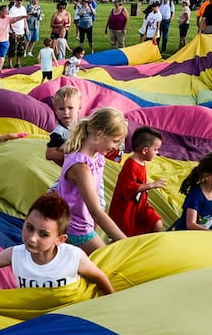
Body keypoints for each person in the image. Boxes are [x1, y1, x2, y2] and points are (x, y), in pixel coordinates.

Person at [0, 192, 114, 294]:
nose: (32, 238)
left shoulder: (73, 257)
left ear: (60, 239)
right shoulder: (17, 254)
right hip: (33, 320)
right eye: (29, 227)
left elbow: (99, 277)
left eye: (43, 234)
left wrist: (110, 301)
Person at [55, 106, 129, 253]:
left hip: (85, 223)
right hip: (76, 229)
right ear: (100, 134)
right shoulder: (81, 167)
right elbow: (95, 210)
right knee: (107, 260)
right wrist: (126, 242)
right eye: (115, 141)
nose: (116, 147)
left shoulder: (97, 156)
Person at [109, 126, 168, 236]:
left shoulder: (141, 162)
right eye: (155, 149)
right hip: (127, 209)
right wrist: (152, 185)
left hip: (141, 205)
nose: (157, 153)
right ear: (145, 150)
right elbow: (128, 187)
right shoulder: (131, 164)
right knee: (126, 234)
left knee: (157, 224)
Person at [174, 151, 212, 231]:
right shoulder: (195, 195)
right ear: (206, 176)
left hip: (204, 232)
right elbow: (190, 224)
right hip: (184, 232)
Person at [45, 83, 83, 164]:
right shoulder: (58, 133)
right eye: (61, 109)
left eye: (70, 108)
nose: (66, 112)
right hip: (71, 166)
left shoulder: (84, 125)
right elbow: (49, 154)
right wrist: (73, 157)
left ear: (79, 108)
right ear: (56, 111)